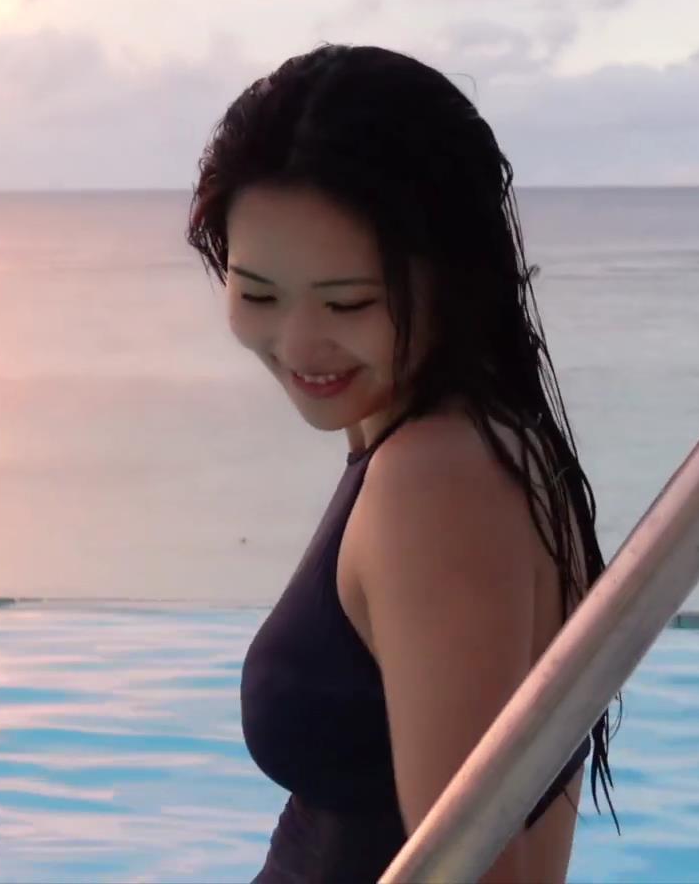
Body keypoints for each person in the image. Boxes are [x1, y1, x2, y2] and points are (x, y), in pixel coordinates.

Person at [185, 45, 616, 883]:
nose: (300, 344)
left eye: (349, 302)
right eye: (258, 293)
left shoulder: (438, 481)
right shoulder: (463, 443)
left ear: (454, 279)